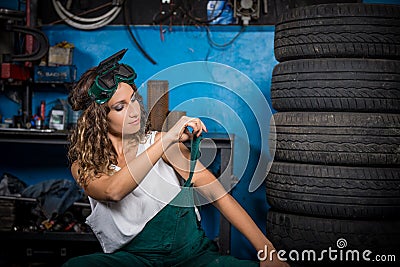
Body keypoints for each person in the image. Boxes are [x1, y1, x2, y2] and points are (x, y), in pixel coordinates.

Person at [63, 49, 289, 267]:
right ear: (98, 118)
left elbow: (217, 194)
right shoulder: (84, 166)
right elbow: (113, 191)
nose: (134, 111)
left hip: (193, 257)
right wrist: (166, 140)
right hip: (134, 259)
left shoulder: (163, 144)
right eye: (120, 107)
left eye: (134, 100)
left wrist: (267, 251)